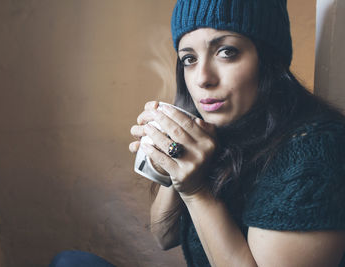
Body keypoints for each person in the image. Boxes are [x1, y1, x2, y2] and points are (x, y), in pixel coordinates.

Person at [129, 0, 345, 266]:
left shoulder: (314, 150)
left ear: (268, 60)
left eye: (226, 52)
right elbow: (164, 236)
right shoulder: (221, 130)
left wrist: (197, 191)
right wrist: (172, 161)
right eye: (189, 59)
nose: (202, 78)